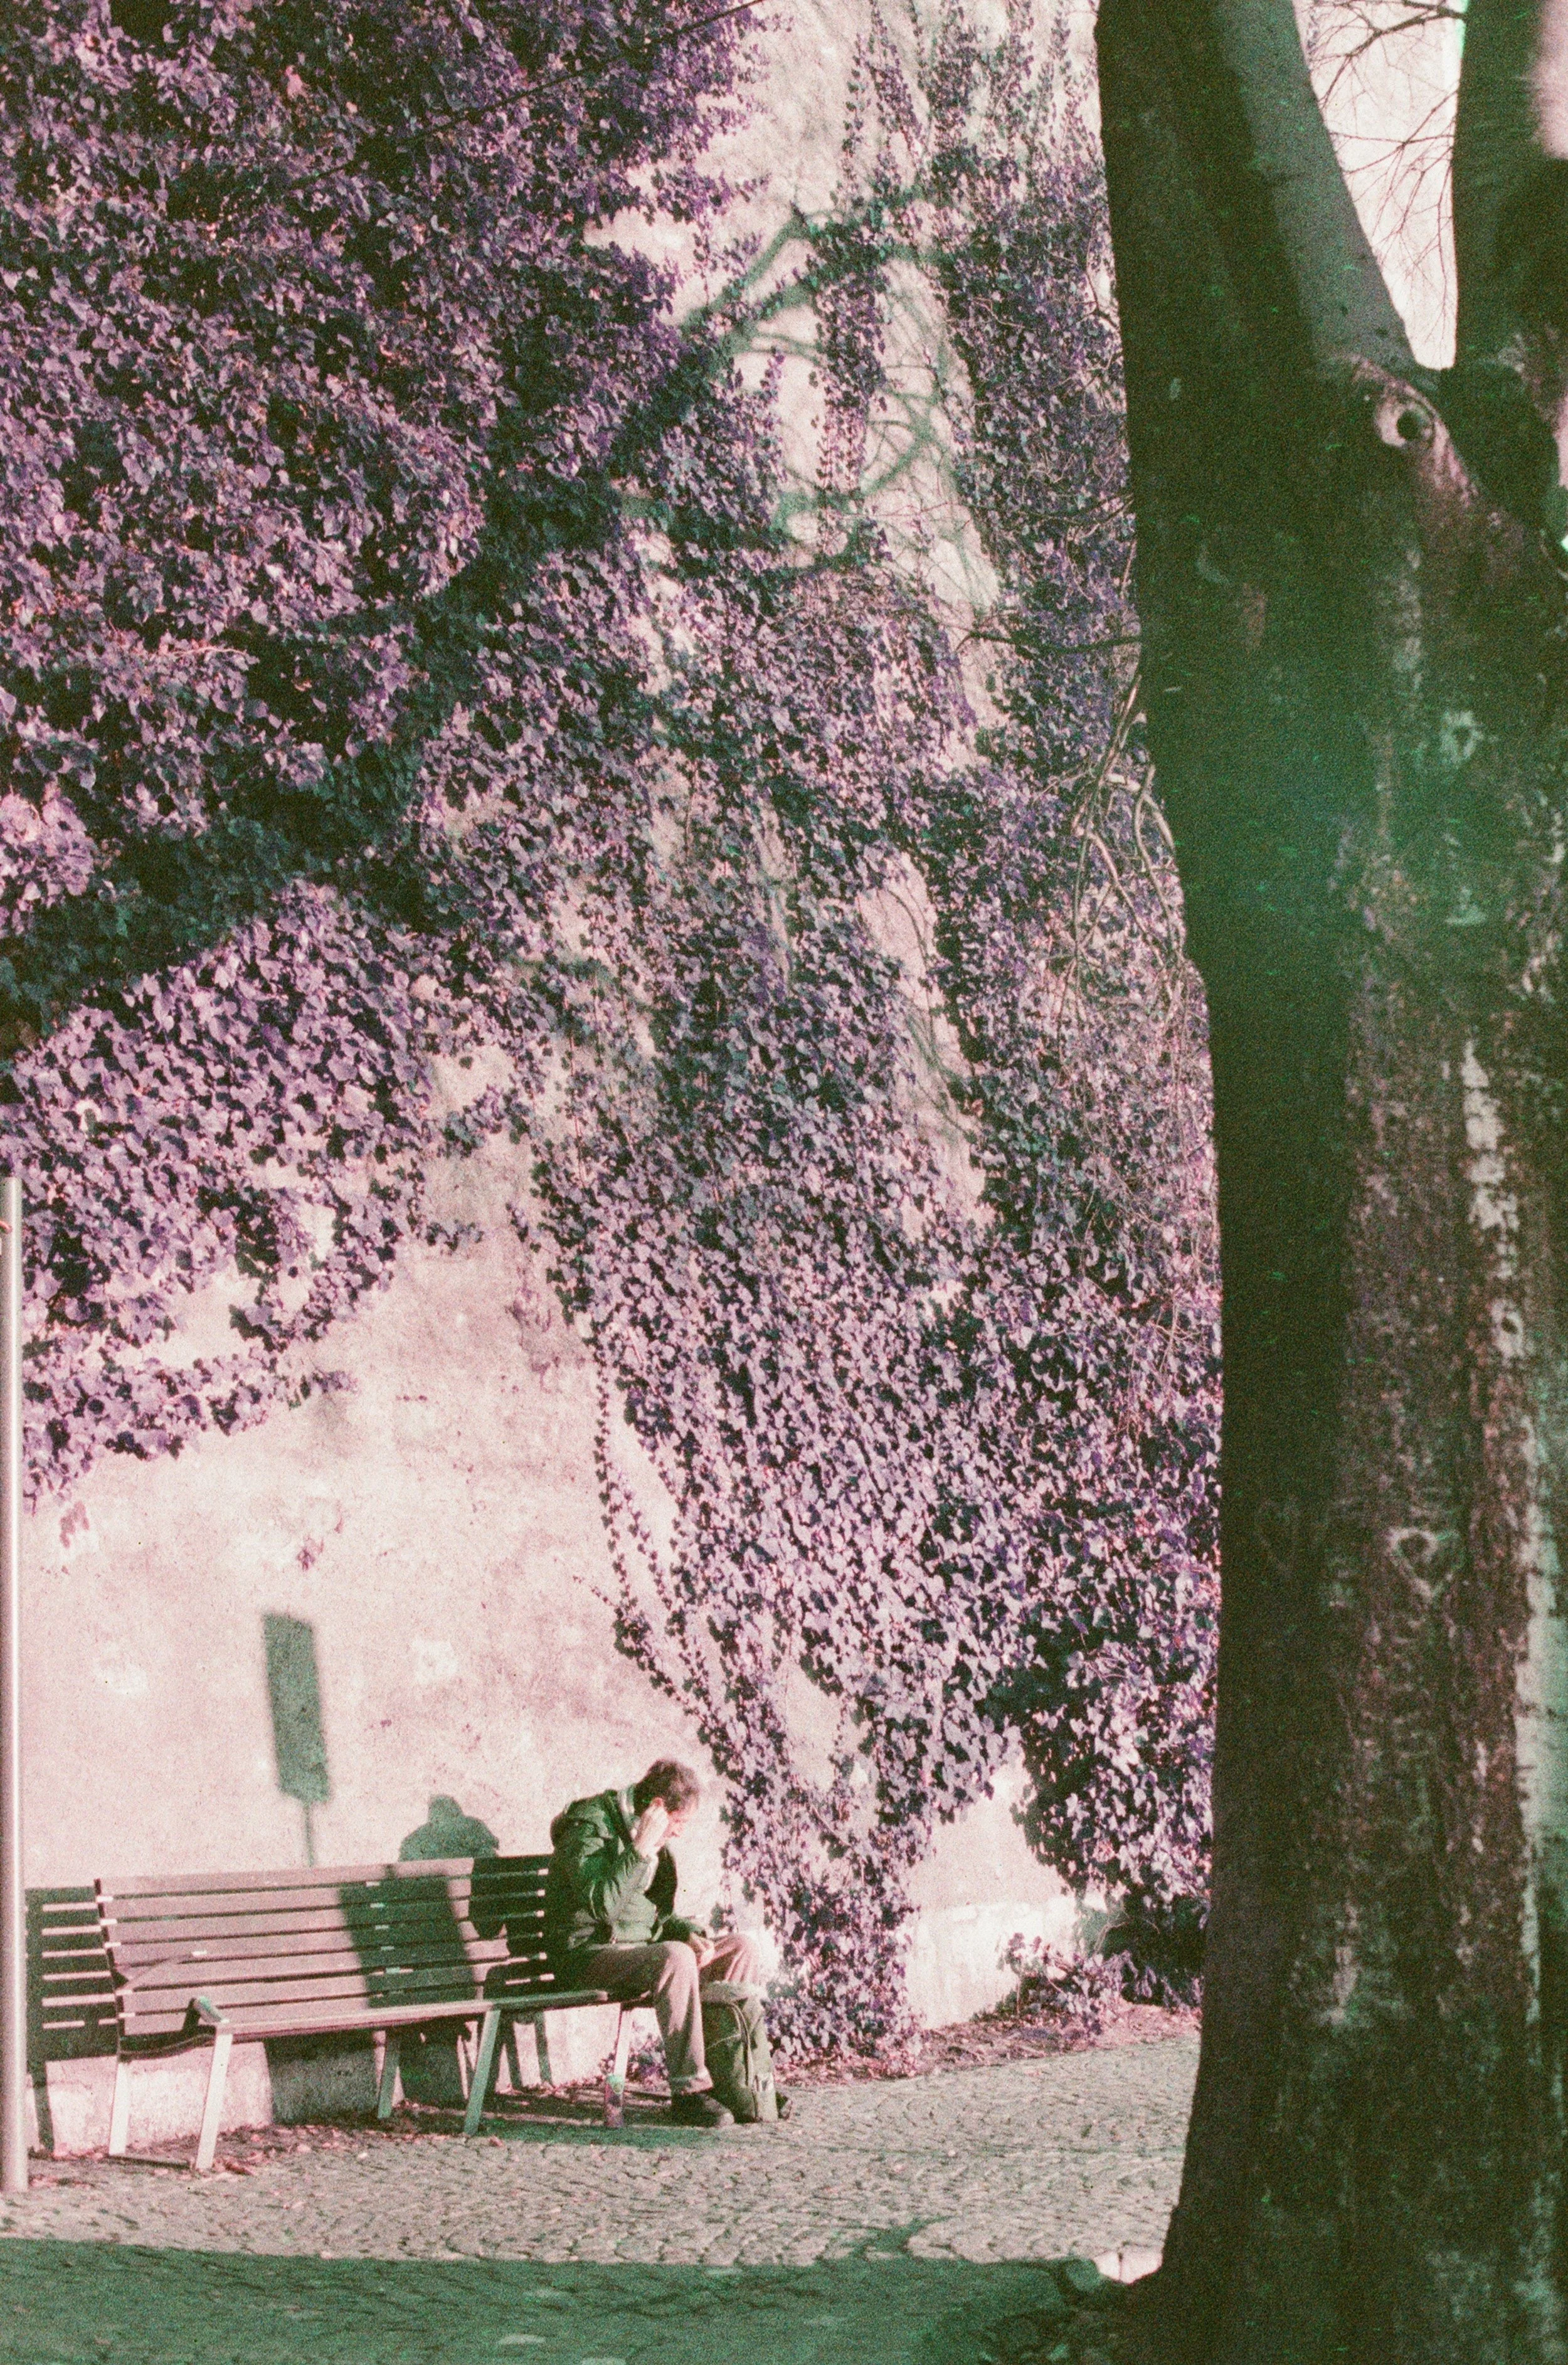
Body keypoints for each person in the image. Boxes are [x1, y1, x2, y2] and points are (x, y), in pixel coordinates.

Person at [543, 1758, 762, 2128]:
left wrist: (689, 1934)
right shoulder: (590, 1826)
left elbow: (654, 1918)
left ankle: (732, 2082)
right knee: (675, 1958)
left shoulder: (652, 1836)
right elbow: (601, 1906)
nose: (679, 1833)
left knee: (741, 1946)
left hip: (638, 1953)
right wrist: (640, 1850)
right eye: (679, 1822)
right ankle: (689, 2092)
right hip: (584, 1956)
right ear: (658, 1808)